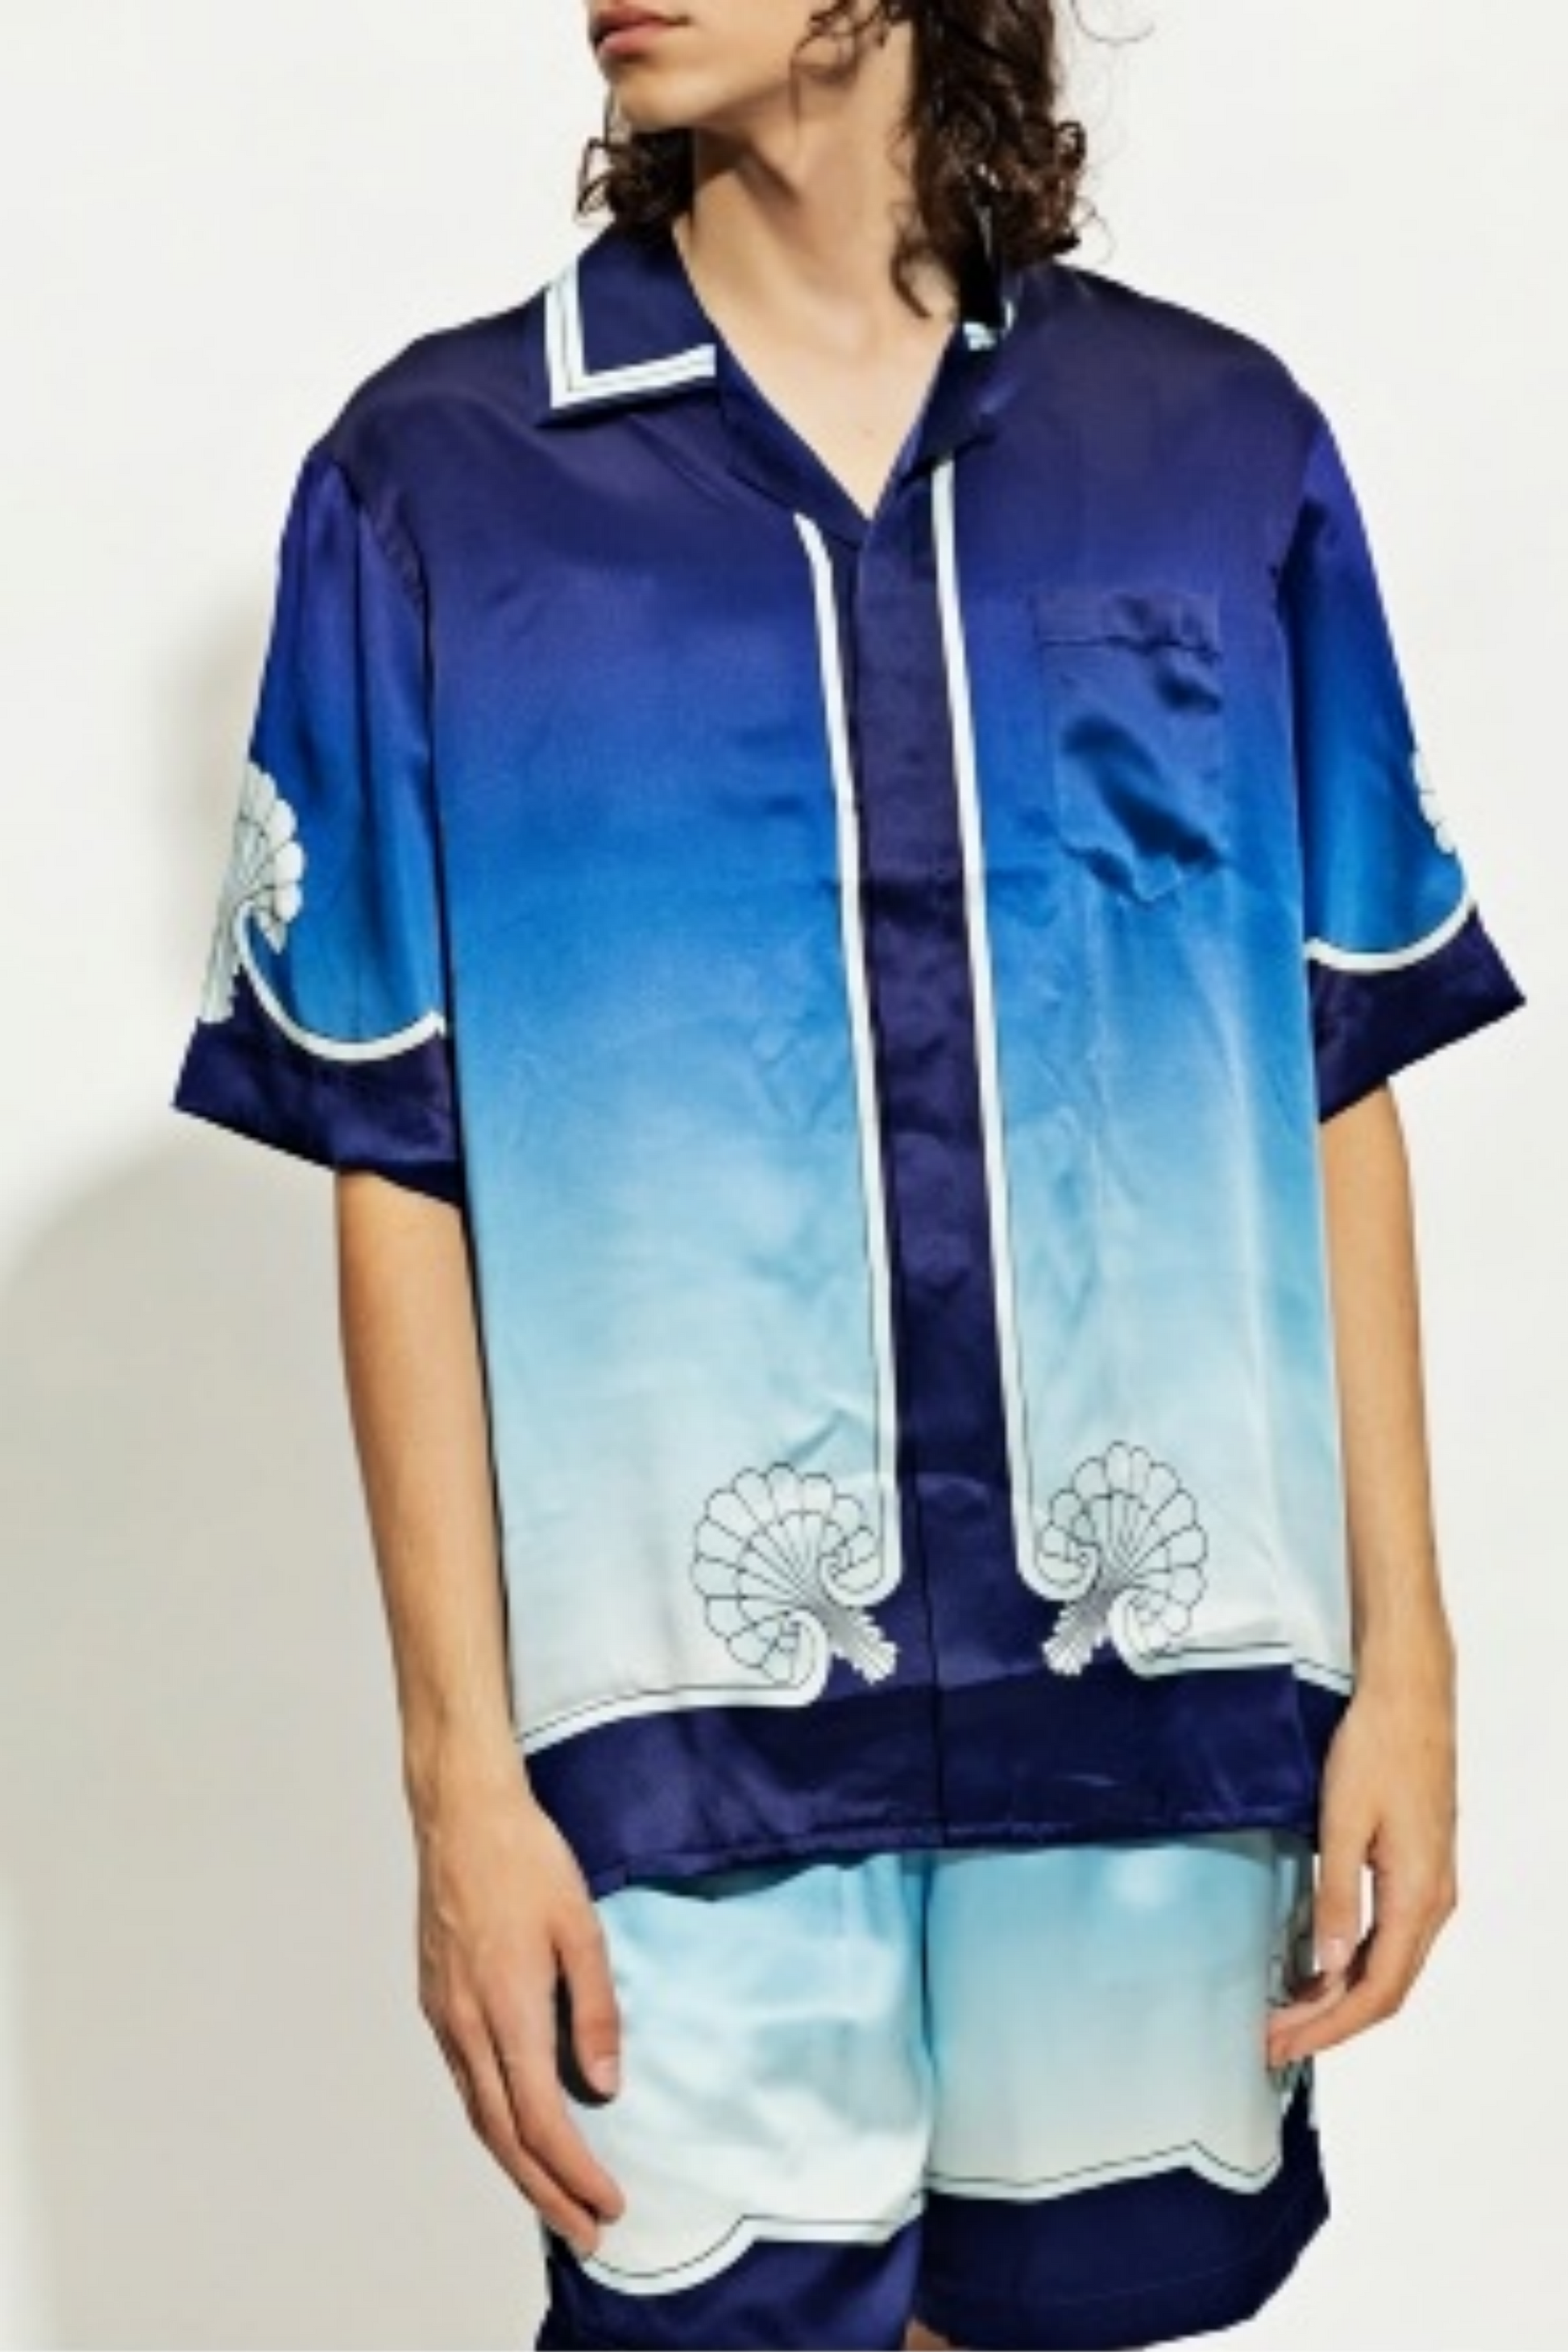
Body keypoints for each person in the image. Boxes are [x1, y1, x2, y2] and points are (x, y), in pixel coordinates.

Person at [170, 2, 1525, 2345]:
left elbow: (1336, 1069)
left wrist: (1412, 1662)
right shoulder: (439, 487)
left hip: (1149, 1697)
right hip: (674, 1736)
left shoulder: (1211, 451)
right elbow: (395, 1160)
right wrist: (457, 1782)